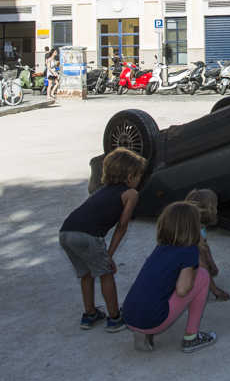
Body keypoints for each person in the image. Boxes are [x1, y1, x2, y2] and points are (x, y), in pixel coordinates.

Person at [59, 148, 145, 332]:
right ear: (130, 176)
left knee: (86, 274)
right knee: (106, 274)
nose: (140, 179)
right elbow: (122, 226)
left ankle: (89, 315)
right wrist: (109, 255)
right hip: (89, 236)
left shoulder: (101, 190)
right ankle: (114, 318)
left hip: (66, 232)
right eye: (139, 175)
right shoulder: (131, 194)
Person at [123, 201, 217, 353]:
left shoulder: (160, 248)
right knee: (203, 276)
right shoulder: (189, 251)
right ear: (193, 228)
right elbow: (182, 290)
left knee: (157, 288)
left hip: (128, 314)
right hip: (155, 320)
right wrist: (192, 274)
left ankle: (144, 333)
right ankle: (191, 337)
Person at [185, 189, 230, 302]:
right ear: (208, 209)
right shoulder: (192, 232)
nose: (217, 210)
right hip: (181, 270)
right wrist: (215, 290)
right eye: (215, 206)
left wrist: (212, 262)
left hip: (189, 262)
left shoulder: (199, 226)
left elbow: (204, 246)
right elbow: (201, 264)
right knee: (201, 270)